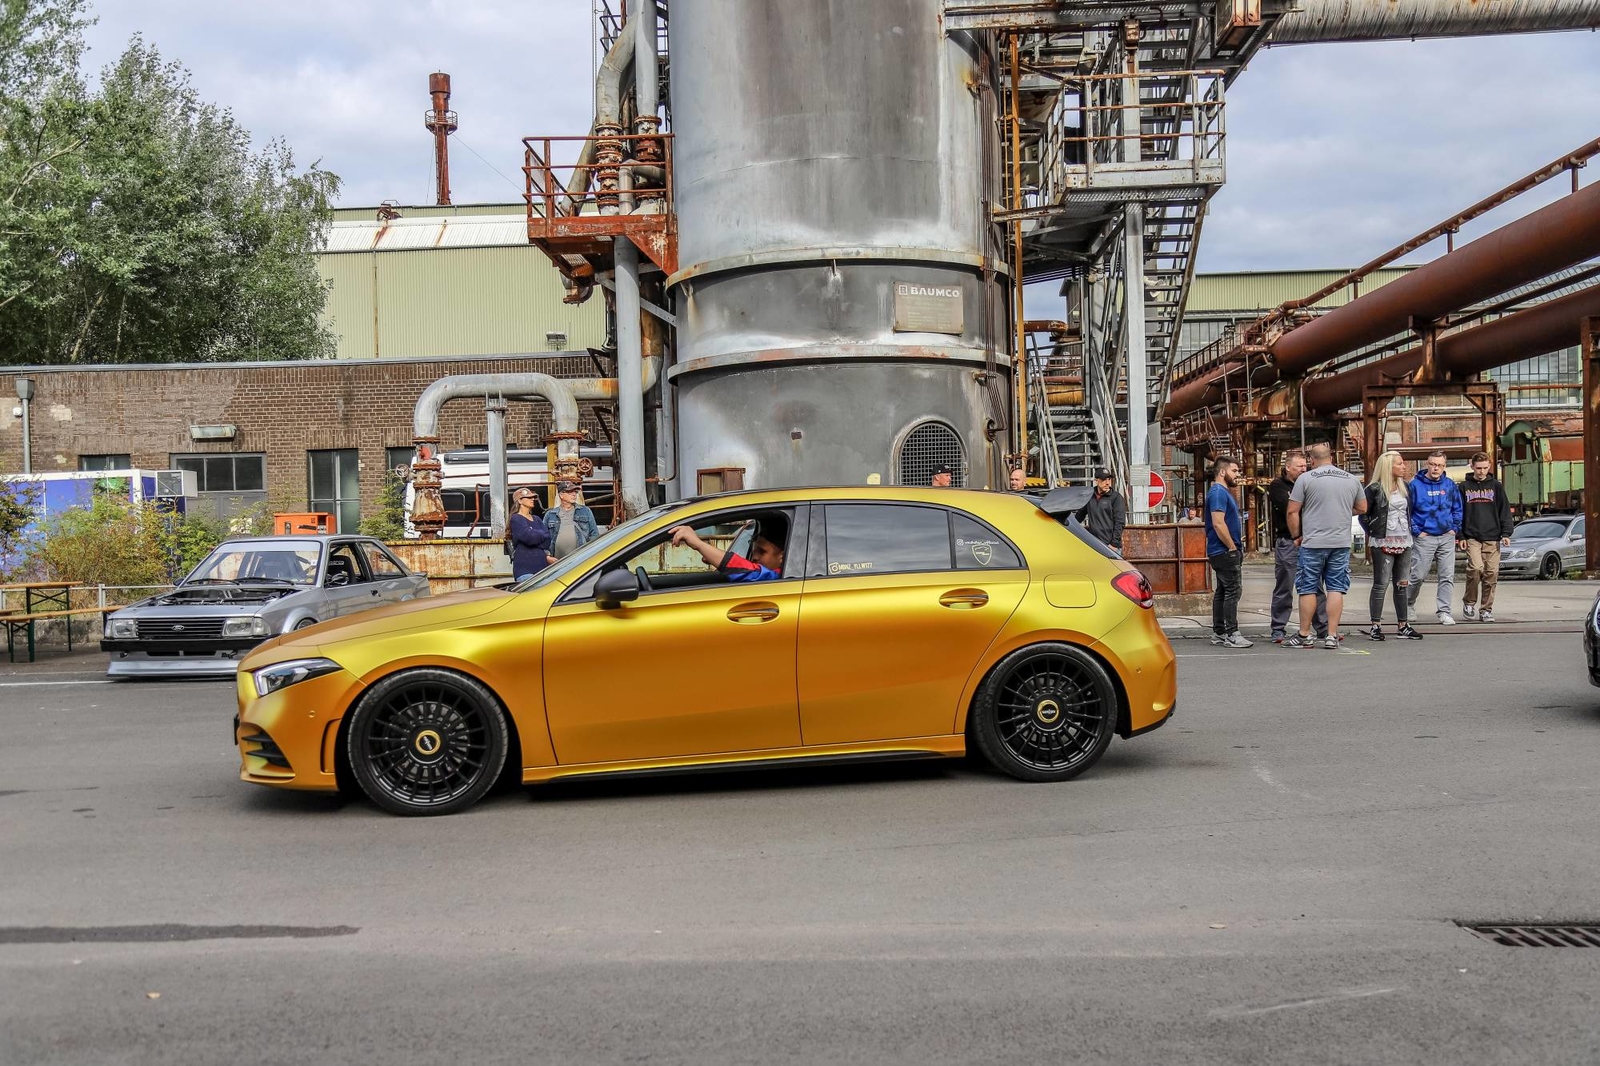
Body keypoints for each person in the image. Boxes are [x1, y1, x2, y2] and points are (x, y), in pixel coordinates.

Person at [1284, 442, 1366, 649]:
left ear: (1312, 460)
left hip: (1312, 542)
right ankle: (1331, 635)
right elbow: (1362, 507)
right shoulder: (1351, 479)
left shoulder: (1305, 479)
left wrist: (1296, 535)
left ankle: (1304, 634)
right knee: (1336, 587)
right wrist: (1343, 511)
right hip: (1340, 543)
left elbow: (1292, 511)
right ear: (1331, 458)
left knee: (1308, 587)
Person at [1266, 449, 1327, 644]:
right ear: (1288, 467)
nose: (1303, 469)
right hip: (1288, 540)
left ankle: (1323, 628)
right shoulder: (1278, 486)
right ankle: (1278, 628)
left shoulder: (1310, 483)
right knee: (1285, 585)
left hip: (1311, 540)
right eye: (1299, 466)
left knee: (1316, 585)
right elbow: (1290, 508)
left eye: (1305, 466)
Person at [1362, 451, 1423, 641]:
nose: (1404, 467)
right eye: (1399, 464)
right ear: (1388, 467)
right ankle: (1376, 625)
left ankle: (1403, 625)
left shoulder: (1406, 487)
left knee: (1402, 583)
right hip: (1383, 539)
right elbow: (1363, 514)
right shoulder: (1374, 489)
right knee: (1381, 583)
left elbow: (1411, 510)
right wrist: (1373, 530)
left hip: (1404, 538)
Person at [1407, 449, 1464, 625]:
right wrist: (1417, 531)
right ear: (1427, 464)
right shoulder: (1415, 485)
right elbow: (1408, 511)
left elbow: (1457, 508)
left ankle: (1444, 611)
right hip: (1424, 537)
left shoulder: (1450, 485)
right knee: (1418, 575)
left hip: (1446, 535)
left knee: (1447, 576)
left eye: (1439, 465)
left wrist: (1454, 528)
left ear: (1444, 466)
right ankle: (1408, 604)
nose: (1435, 468)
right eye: (1432, 464)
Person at [1458, 451, 1513, 623]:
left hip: (1493, 536)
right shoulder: (1464, 487)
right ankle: (1469, 602)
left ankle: (1486, 609)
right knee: (1475, 568)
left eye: (1484, 468)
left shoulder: (1496, 486)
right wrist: (1461, 536)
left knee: (1491, 573)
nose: (1481, 471)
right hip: (1472, 535)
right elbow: (1458, 512)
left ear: (1489, 467)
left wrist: (1506, 533)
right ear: (1472, 467)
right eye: (1478, 468)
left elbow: (1504, 510)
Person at [1205, 456, 1251, 649]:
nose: (1237, 474)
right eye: (1234, 471)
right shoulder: (1218, 492)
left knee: (1223, 591)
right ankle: (1232, 633)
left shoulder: (1220, 492)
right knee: (1233, 591)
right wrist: (1232, 546)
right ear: (1222, 472)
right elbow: (1218, 523)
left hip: (1220, 550)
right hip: (1224, 550)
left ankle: (1219, 632)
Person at [667, 520, 786, 582]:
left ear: (782, 557)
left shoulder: (778, 578)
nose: (754, 556)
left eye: (762, 551)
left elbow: (745, 570)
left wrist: (699, 544)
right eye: (754, 551)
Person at [544, 480, 600, 562]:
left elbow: (594, 534)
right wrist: (547, 557)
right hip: (557, 562)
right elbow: (543, 539)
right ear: (561, 495)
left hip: (580, 560)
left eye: (575, 492)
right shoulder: (550, 514)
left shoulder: (585, 511)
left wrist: (589, 553)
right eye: (570, 492)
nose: (574, 494)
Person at [507, 487, 552, 580]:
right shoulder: (516, 518)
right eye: (529, 497)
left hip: (542, 570)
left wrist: (534, 535)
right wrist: (540, 535)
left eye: (533, 497)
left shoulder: (537, 519)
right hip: (525, 571)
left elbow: (547, 539)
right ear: (520, 501)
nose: (532, 499)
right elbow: (529, 538)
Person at [1079, 469, 1126, 554]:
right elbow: (1080, 515)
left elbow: (1120, 522)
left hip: (1110, 546)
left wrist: (1114, 544)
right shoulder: (1089, 496)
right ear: (1096, 481)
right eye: (1104, 480)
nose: (1107, 483)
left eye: (1109, 479)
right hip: (1094, 545)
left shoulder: (1116, 498)